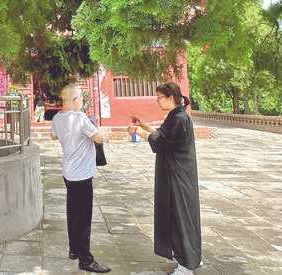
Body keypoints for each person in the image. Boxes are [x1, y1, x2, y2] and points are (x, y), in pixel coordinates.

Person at [128, 82, 201, 275]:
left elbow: (161, 141)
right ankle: (186, 259)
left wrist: (137, 131)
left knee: (181, 219)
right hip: (177, 176)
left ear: (171, 97)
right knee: (180, 217)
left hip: (178, 178)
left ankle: (187, 266)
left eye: (159, 97)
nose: (157, 101)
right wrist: (143, 125)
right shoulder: (177, 116)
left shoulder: (178, 118)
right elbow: (163, 134)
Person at [50, 84, 111, 273]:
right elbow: (99, 138)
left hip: (68, 172)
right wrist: (101, 131)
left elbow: (53, 136)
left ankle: (74, 249)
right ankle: (86, 260)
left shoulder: (57, 118)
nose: (82, 101)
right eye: (81, 98)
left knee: (72, 212)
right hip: (82, 175)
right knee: (84, 218)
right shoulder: (80, 117)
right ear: (75, 100)